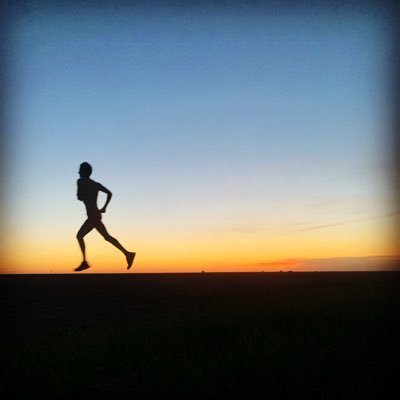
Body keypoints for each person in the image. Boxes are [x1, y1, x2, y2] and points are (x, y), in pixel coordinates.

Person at [75, 162, 135, 271]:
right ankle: (128, 254)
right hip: (95, 215)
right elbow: (109, 193)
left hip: (93, 216)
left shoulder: (81, 182)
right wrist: (104, 207)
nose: (78, 172)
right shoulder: (95, 184)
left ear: (85, 172)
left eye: (80, 170)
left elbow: (79, 197)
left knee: (79, 236)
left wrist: (103, 207)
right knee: (107, 237)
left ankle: (84, 262)